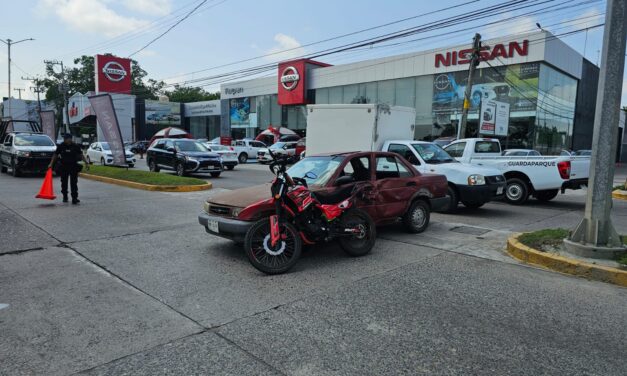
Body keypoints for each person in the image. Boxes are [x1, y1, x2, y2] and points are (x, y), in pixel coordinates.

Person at [48, 133, 89, 204]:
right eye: (65, 139)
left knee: (74, 183)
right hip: (64, 166)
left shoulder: (75, 146)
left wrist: (86, 163)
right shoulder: (61, 146)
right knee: (64, 182)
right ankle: (65, 196)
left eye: (67, 138)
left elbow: (81, 155)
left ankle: (74, 198)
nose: (65, 140)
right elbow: (55, 155)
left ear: (70, 138)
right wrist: (51, 164)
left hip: (73, 166)